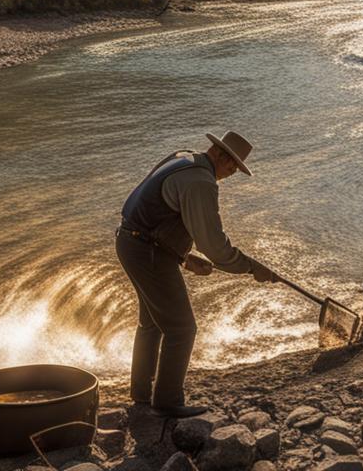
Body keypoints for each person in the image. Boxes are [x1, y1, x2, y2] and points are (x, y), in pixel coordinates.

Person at [115, 130, 278, 418]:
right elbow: (214, 247)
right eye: (233, 167)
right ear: (222, 156)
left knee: (152, 322)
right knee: (182, 329)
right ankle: (166, 401)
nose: (231, 174)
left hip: (130, 241)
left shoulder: (183, 157)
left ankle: (141, 393)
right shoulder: (202, 182)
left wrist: (184, 258)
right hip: (147, 251)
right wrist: (252, 267)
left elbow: (154, 213)